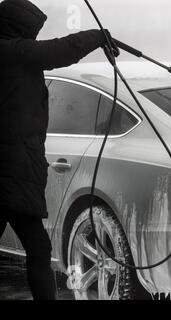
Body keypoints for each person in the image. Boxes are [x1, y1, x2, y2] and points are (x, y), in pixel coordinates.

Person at [0, 0, 119, 300]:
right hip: (11, 167)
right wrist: (96, 36)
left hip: (13, 167)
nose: (34, 40)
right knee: (39, 247)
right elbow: (56, 52)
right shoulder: (11, 51)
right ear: (16, 28)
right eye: (31, 33)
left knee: (37, 246)